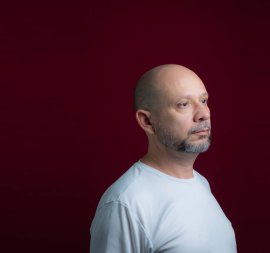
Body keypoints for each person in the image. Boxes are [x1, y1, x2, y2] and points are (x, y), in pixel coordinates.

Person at [90, 64, 237, 253]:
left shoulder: (201, 183)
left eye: (204, 100)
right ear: (147, 121)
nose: (204, 114)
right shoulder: (126, 204)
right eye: (183, 104)